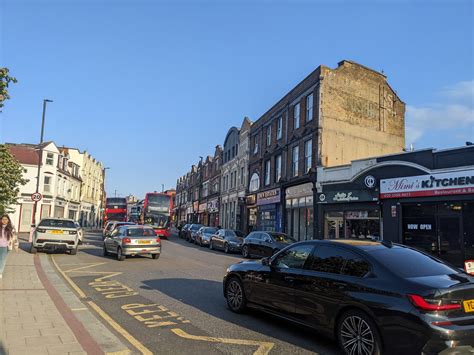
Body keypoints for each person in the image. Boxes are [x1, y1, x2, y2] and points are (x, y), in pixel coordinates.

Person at [0, 214, 18, 279]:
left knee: (2, 260)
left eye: (6, 219)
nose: (4, 221)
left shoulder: (11, 228)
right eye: (3, 219)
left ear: (8, 220)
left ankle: (0, 272)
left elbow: (15, 238)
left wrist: (16, 246)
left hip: (5, 246)